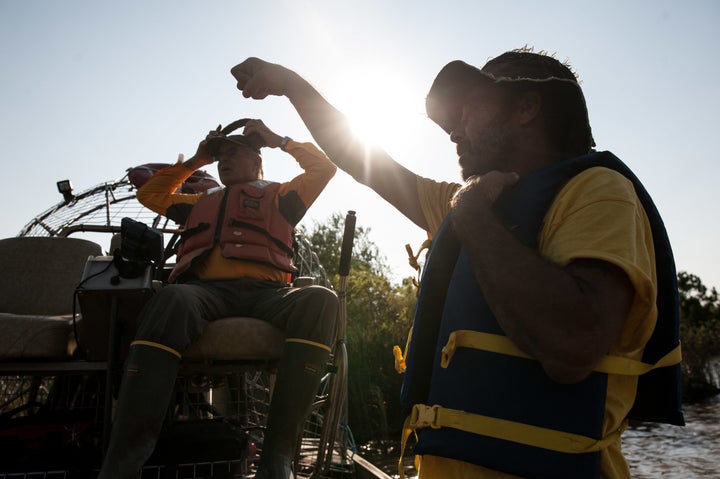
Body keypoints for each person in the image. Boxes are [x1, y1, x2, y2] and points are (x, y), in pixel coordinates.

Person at [229, 49, 683, 479]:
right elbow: (359, 158)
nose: (452, 131)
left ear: (525, 108)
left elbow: (572, 344)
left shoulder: (597, 192)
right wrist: (290, 83)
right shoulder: (463, 201)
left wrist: (469, 214)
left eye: (467, 110)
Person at [97, 119, 339, 479]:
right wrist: (196, 160)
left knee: (321, 299)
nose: (224, 161)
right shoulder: (198, 201)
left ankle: (277, 461)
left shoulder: (283, 195)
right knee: (171, 299)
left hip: (269, 294)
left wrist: (278, 140)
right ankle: (121, 468)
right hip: (205, 294)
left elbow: (325, 167)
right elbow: (150, 195)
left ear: (258, 160)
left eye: (234, 153)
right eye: (220, 155)